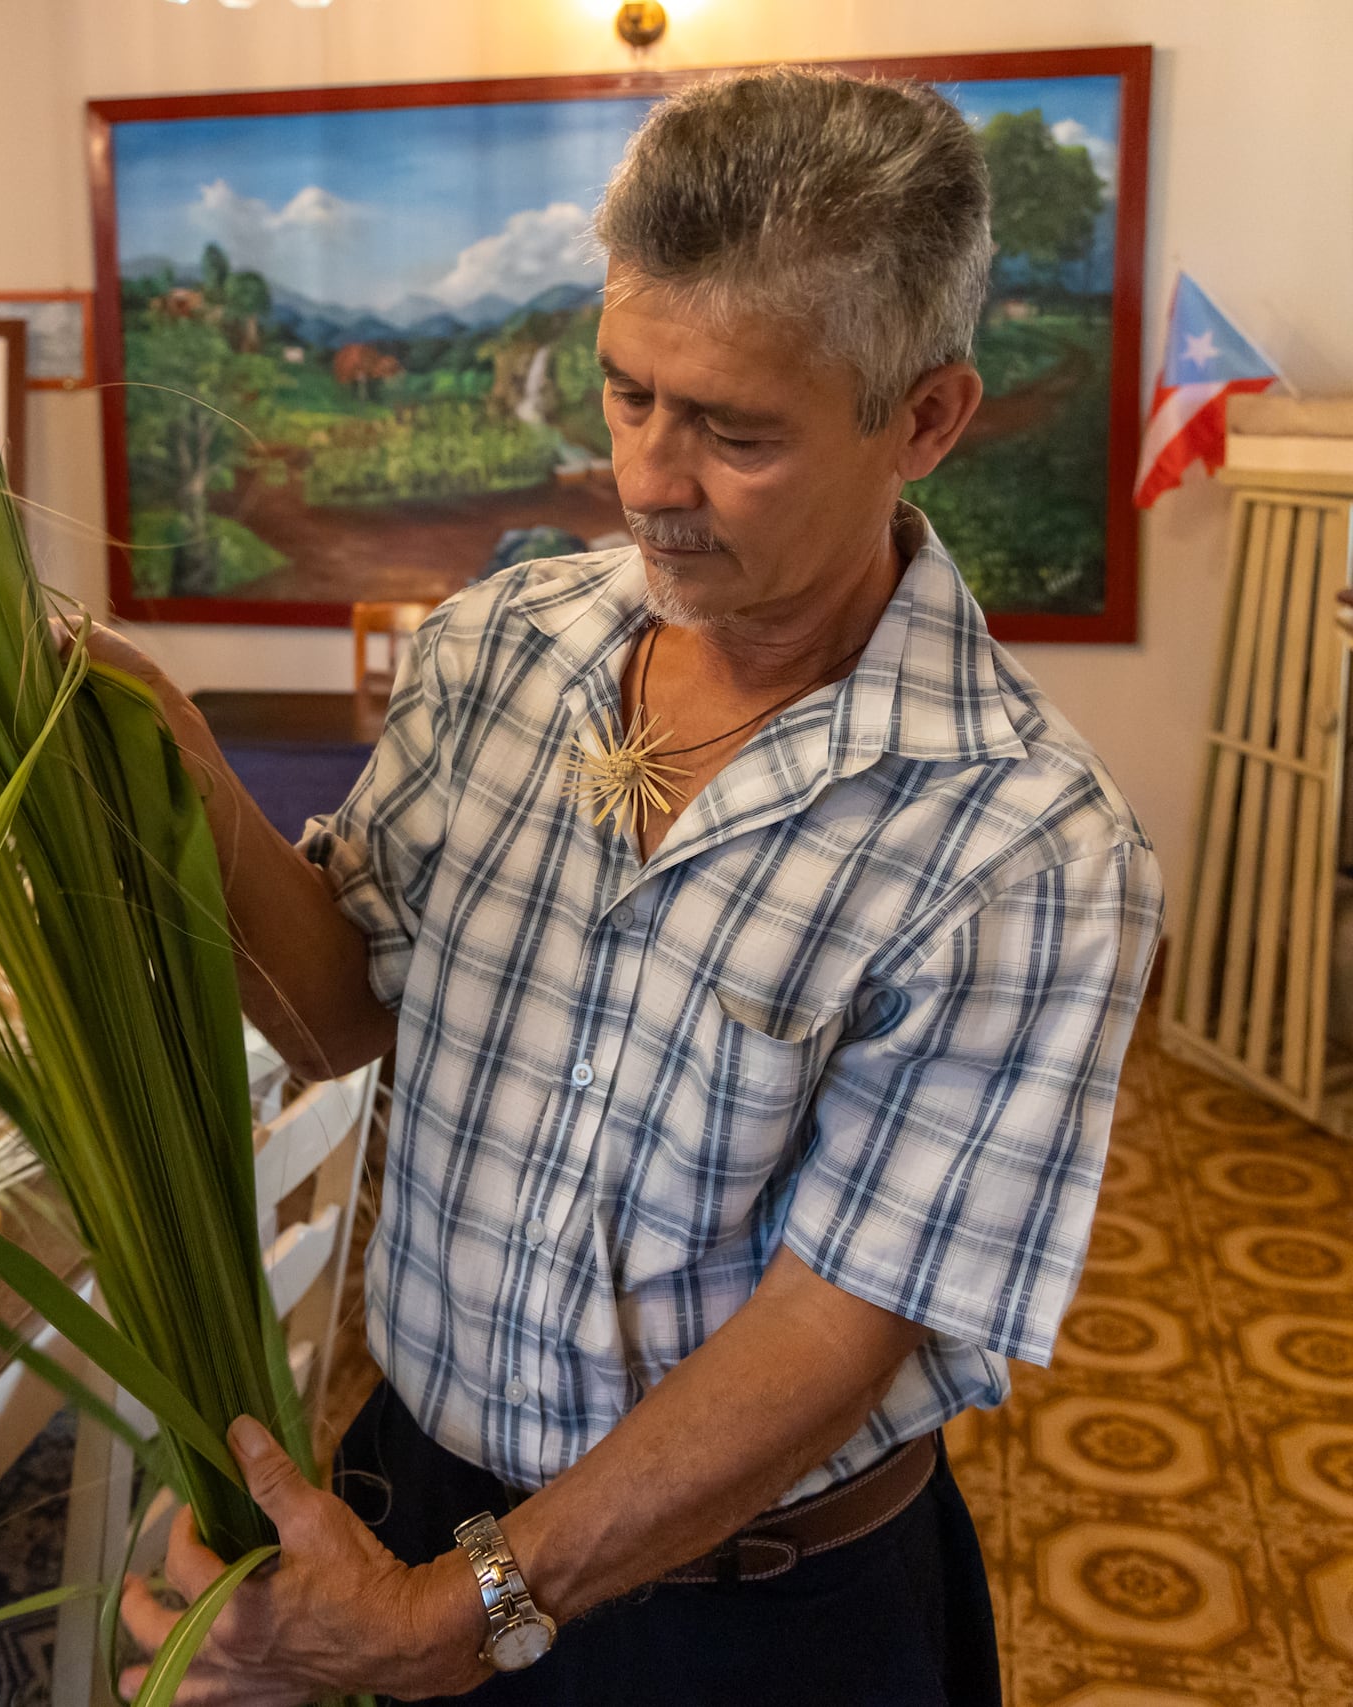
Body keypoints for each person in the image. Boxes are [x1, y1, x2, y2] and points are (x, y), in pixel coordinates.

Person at [95, 65, 1164, 1706]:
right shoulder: (499, 651)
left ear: (926, 419)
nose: (649, 480)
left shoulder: (1022, 844)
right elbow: (333, 1014)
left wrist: (458, 1619)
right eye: (624, 395)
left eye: (736, 432)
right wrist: (168, 767)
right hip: (415, 1485)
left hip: (753, 1618)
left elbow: (835, 1328)